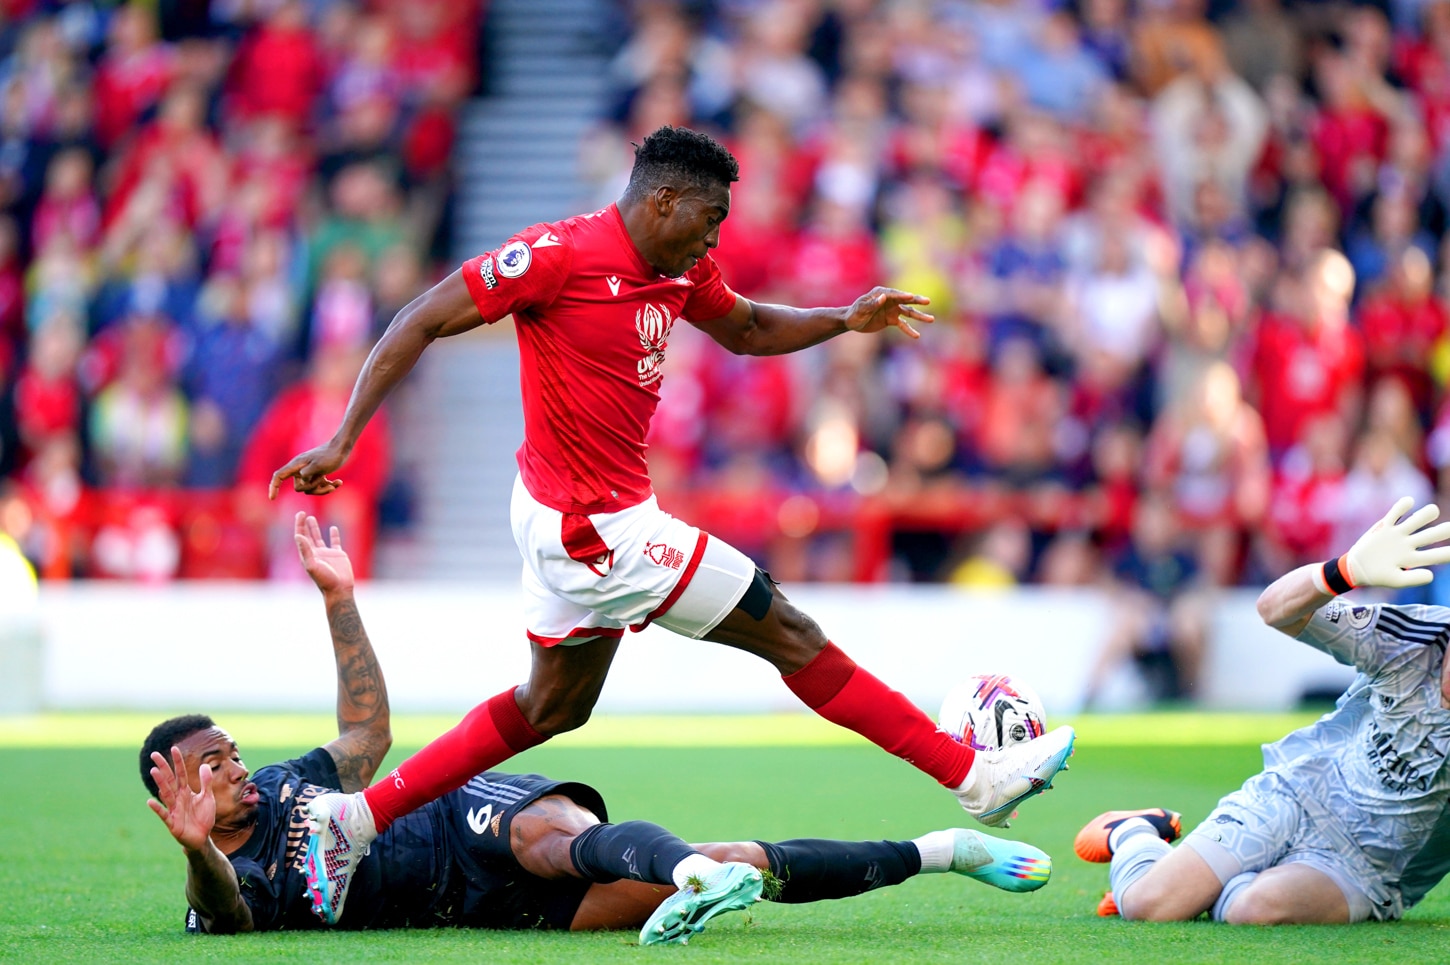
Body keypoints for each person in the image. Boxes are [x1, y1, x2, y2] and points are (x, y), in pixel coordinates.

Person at [266, 125, 1076, 923]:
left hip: (576, 516)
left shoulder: (677, 270)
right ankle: (975, 777)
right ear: (663, 201)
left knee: (552, 707)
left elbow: (751, 328)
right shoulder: (556, 255)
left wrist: (843, 318)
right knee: (790, 631)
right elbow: (419, 318)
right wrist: (343, 436)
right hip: (598, 529)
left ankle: (356, 820)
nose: (715, 237)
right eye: (710, 218)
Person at [143, 513, 1054, 945]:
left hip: (461, 815)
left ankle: (687, 874)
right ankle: (938, 851)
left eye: (231, 753)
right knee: (744, 863)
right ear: (172, 786)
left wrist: (341, 599)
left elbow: (366, 737)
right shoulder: (233, 872)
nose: (237, 770)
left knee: (548, 837)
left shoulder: (289, 784)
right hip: (473, 906)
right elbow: (225, 914)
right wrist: (197, 853)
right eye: (214, 766)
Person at [1074, 496, 1450, 924]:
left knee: (1253, 909)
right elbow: (1274, 609)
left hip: (1365, 869)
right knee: (1148, 906)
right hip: (1296, 794)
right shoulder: (1415, 638)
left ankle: (1191, 884)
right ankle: (1135, 835)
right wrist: (1346, 570)